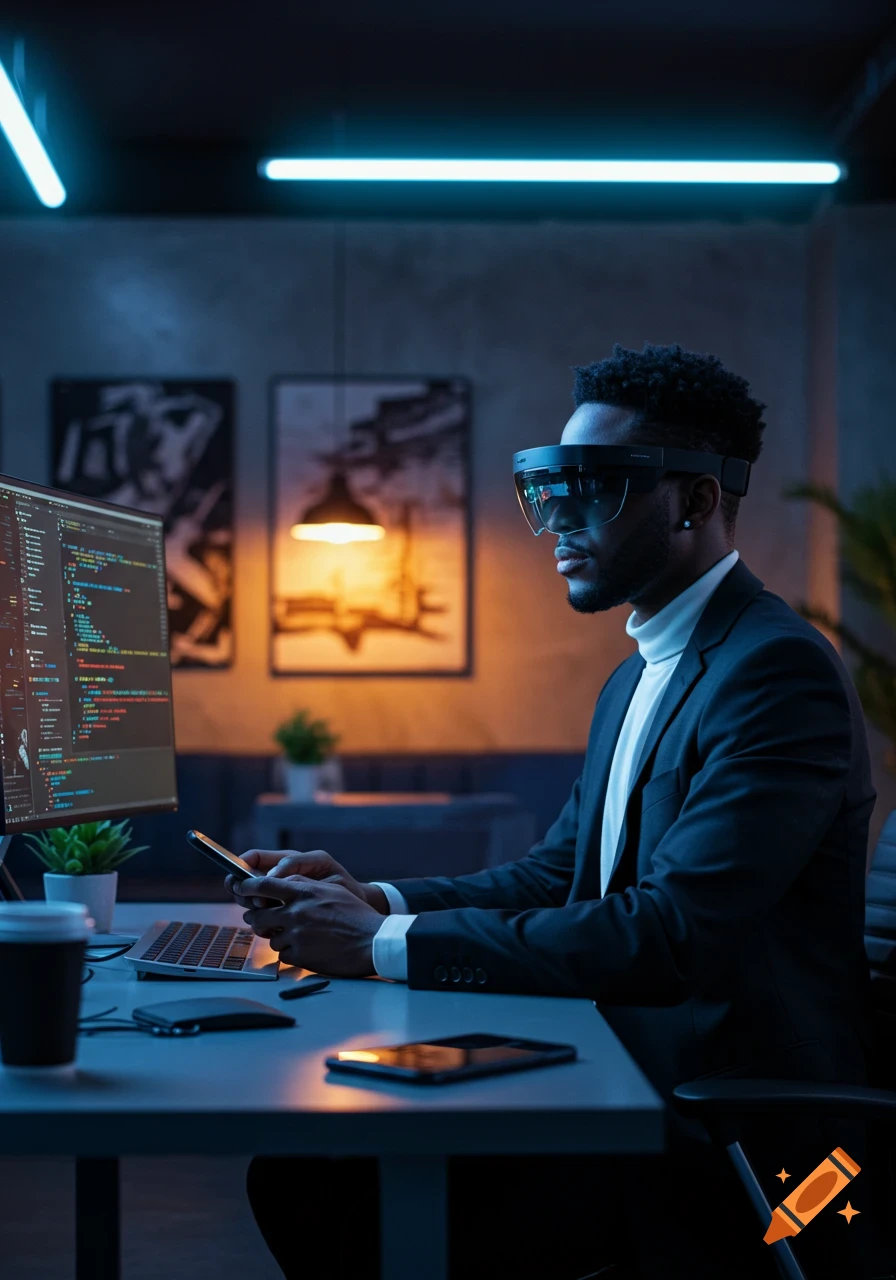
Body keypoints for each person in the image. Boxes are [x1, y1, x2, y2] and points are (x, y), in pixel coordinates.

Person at [229, 344, 876, 1279]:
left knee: (324, 1183)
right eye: (550, 486)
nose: (557, 520)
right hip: (620, 1065)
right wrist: (377, 897)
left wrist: (376, 947)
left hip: (720, 1126)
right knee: (312, 1161)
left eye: (597, 486)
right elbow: (555, 873)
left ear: (695, 501)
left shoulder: (774, 672)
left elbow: (668, 936)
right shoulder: (637, 673)